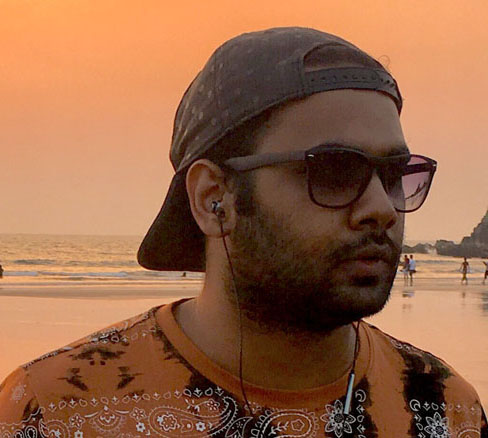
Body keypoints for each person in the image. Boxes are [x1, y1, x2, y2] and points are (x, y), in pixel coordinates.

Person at [1, 27, 486, 436]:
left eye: (395, 174)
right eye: (335, 170)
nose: (382, 208)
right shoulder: (57, 410)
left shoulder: (444, 410)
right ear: (213, 199)